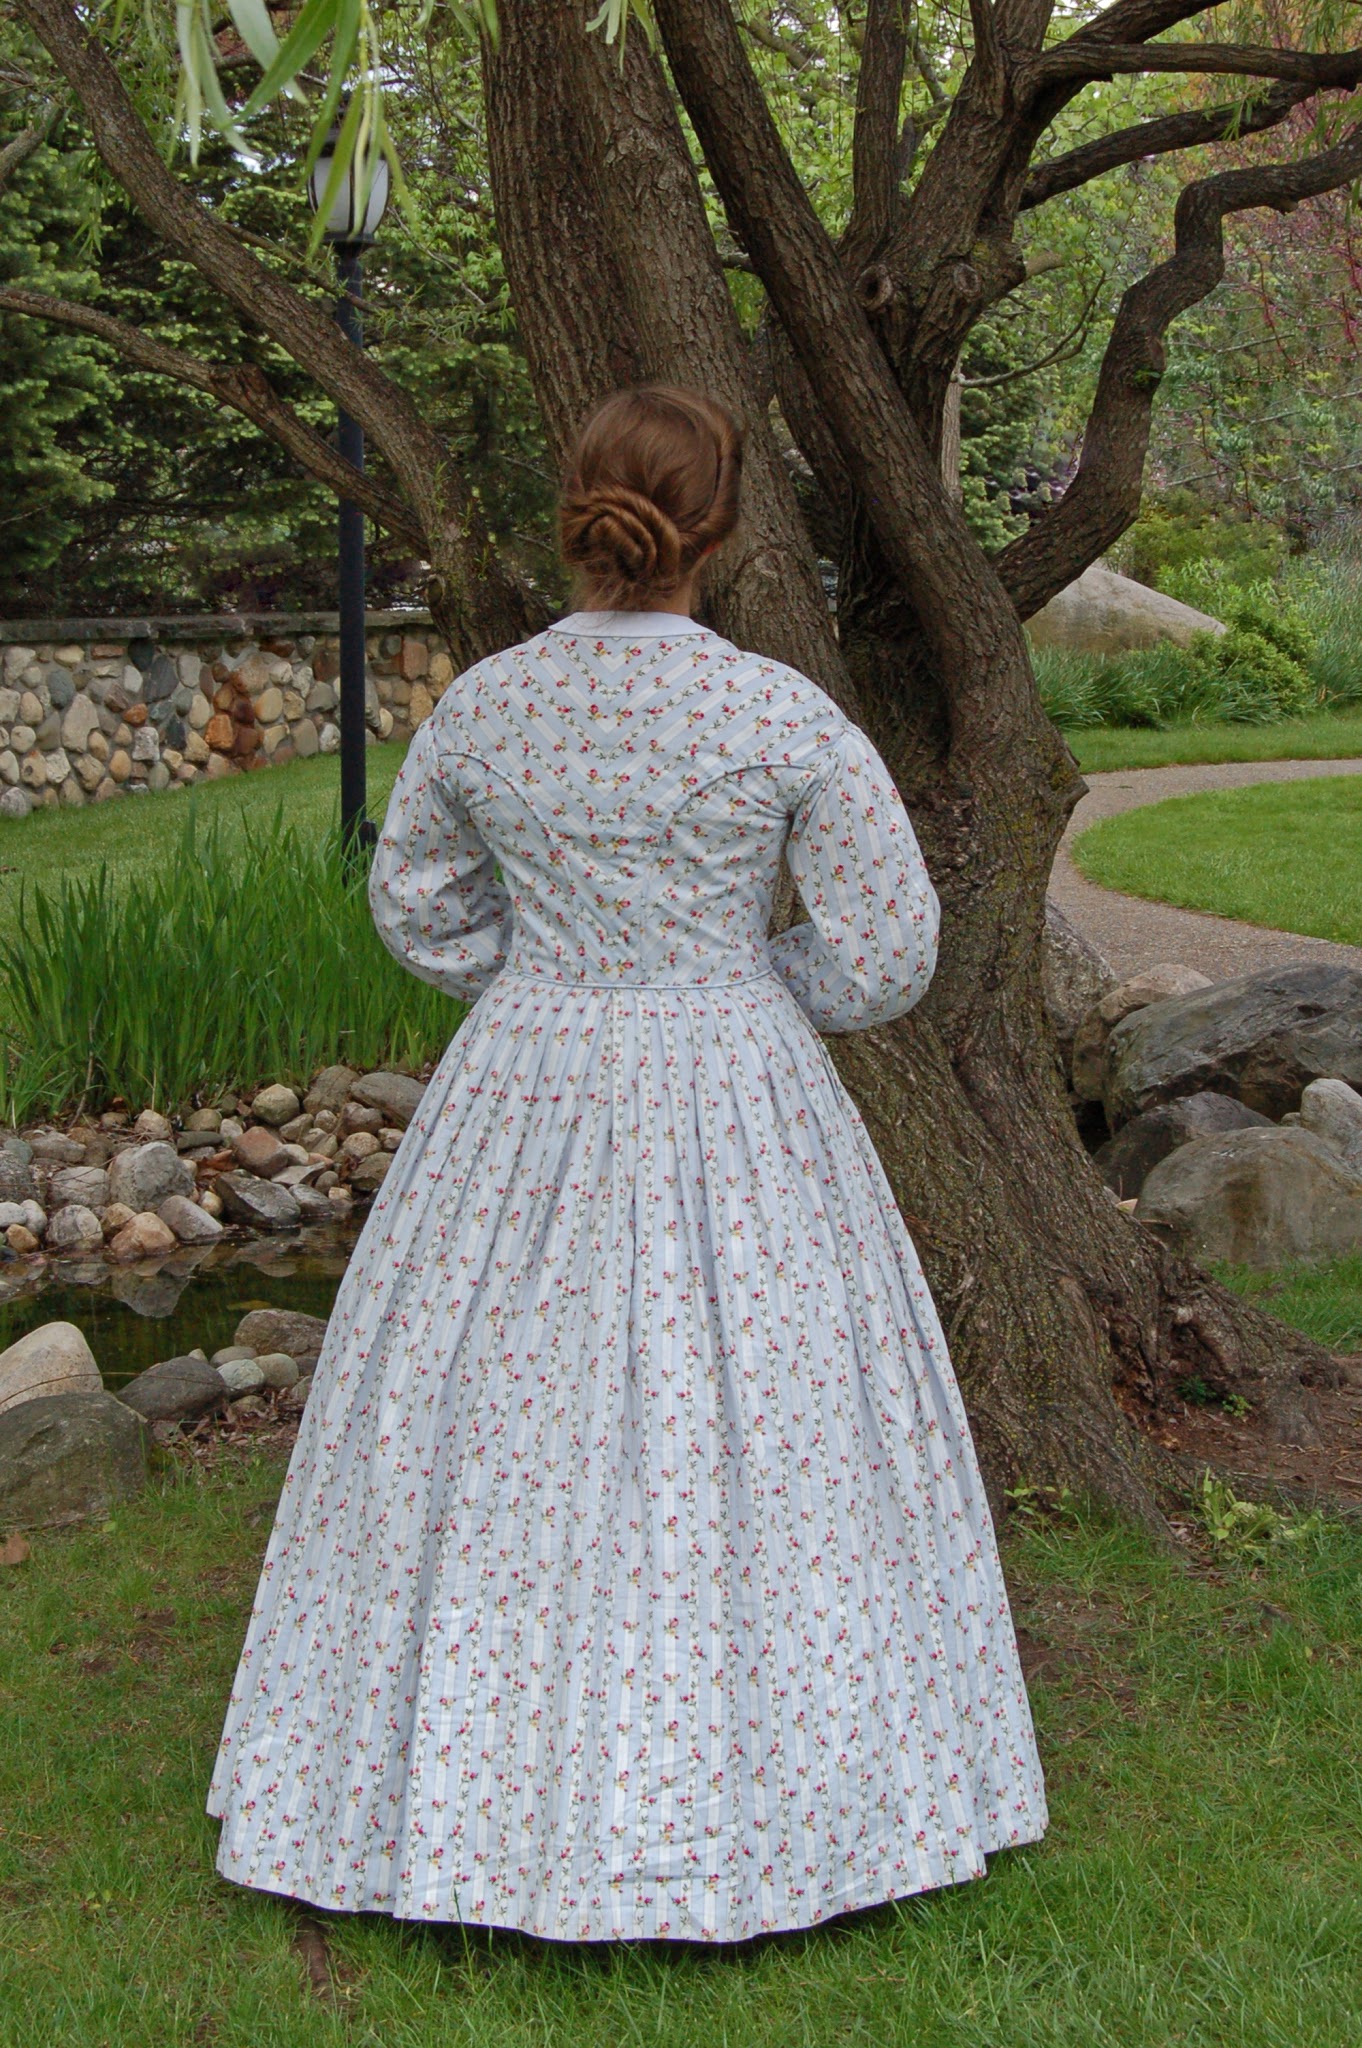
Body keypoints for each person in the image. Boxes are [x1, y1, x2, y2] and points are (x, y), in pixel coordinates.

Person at [207, 382, 1047, 1945]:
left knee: (496, 1423)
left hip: (523, 1088)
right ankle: (783, 1805)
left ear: (579, 516)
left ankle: (460, 1807)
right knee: (764, 1425)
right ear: (716, 530)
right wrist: (743, 988)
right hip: (736, 1090)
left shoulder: (487, 707)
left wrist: (547, 985)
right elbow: (886, 951)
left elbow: (414, 905)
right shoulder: (779, 715)